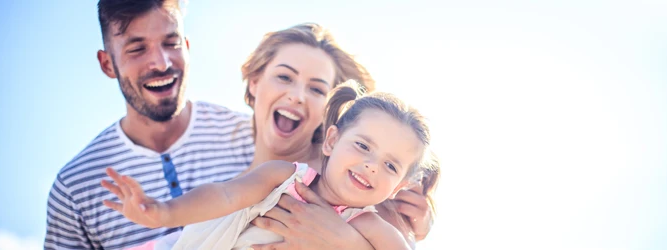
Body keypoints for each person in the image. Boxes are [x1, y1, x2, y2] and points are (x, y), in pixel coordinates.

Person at [44, 0, 433, 249]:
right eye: (284, 77)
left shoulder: (367, 194)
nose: (297, 95)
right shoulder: (277, 171)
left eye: (317, 89)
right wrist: (160, 212)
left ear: (331, 116)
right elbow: (226, 196)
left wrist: (345, 243)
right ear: (254, 82)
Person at [101, 81, 436, 250]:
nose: (371, 166)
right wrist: (164, 212)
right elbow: (226, 196)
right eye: (363, 146)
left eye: (391, 166)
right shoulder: (284, 176)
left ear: (399, 187)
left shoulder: (369, 227)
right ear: (331, 141)